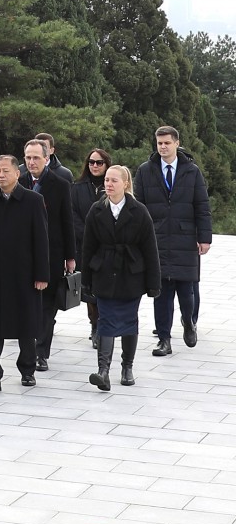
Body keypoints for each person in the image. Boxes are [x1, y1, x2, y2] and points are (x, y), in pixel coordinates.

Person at [0, 155, 49, 394]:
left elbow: (41, 239)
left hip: (24, 273)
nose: (1, 175)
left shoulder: (33, 201)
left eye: (6, 171)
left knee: (26, 323)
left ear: (17, 174)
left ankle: (27, 370)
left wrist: (42, 274)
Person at [134, 125, 212, 356]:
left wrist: (204, 237)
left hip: (185, 238)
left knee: (186, 290)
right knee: (161, 292)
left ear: (177, 143)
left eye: (167, 143)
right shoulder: (146, 170)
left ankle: (188, 322)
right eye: (159, 143)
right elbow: (140, 207)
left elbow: (202, 205)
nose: (163, 147)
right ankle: (164, 339)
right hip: (156, 239)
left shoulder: (191, 171)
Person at [81, 165, 160, 391]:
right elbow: (88, 247)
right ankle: (103, 371)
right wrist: (86, 280)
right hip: (104, 272)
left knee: (128, 320)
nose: (108, 184)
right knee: (104, 320)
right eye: (107, 180)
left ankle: (127, 367)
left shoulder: (139, 211)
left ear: (125, 184)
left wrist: (154, 283)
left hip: (131, 273)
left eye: (114, 180)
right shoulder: (96, 210)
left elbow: (150, 249)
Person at [19, 138, 75, 372]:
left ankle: (41, 352)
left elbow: (67, 221)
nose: (31, 162)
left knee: (47, 305)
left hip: (51, 252)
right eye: (28, 158)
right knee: (24, 303)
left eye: (36, 158)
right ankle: (27, 348)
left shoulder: (60, 184)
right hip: (21, 253)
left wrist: (70, 256)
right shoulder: (18, 181)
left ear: (47, 158)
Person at [72, 149, 112, 346]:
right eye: (91, 162)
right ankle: (94, 325)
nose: (95, 166)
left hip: (108, 246)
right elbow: (72, 215)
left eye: (99, 162)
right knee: (88, 289)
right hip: (85, 246)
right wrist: (87, 234)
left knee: (104, 287)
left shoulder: (112, 186)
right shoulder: (77, 187)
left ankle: (104, 325)